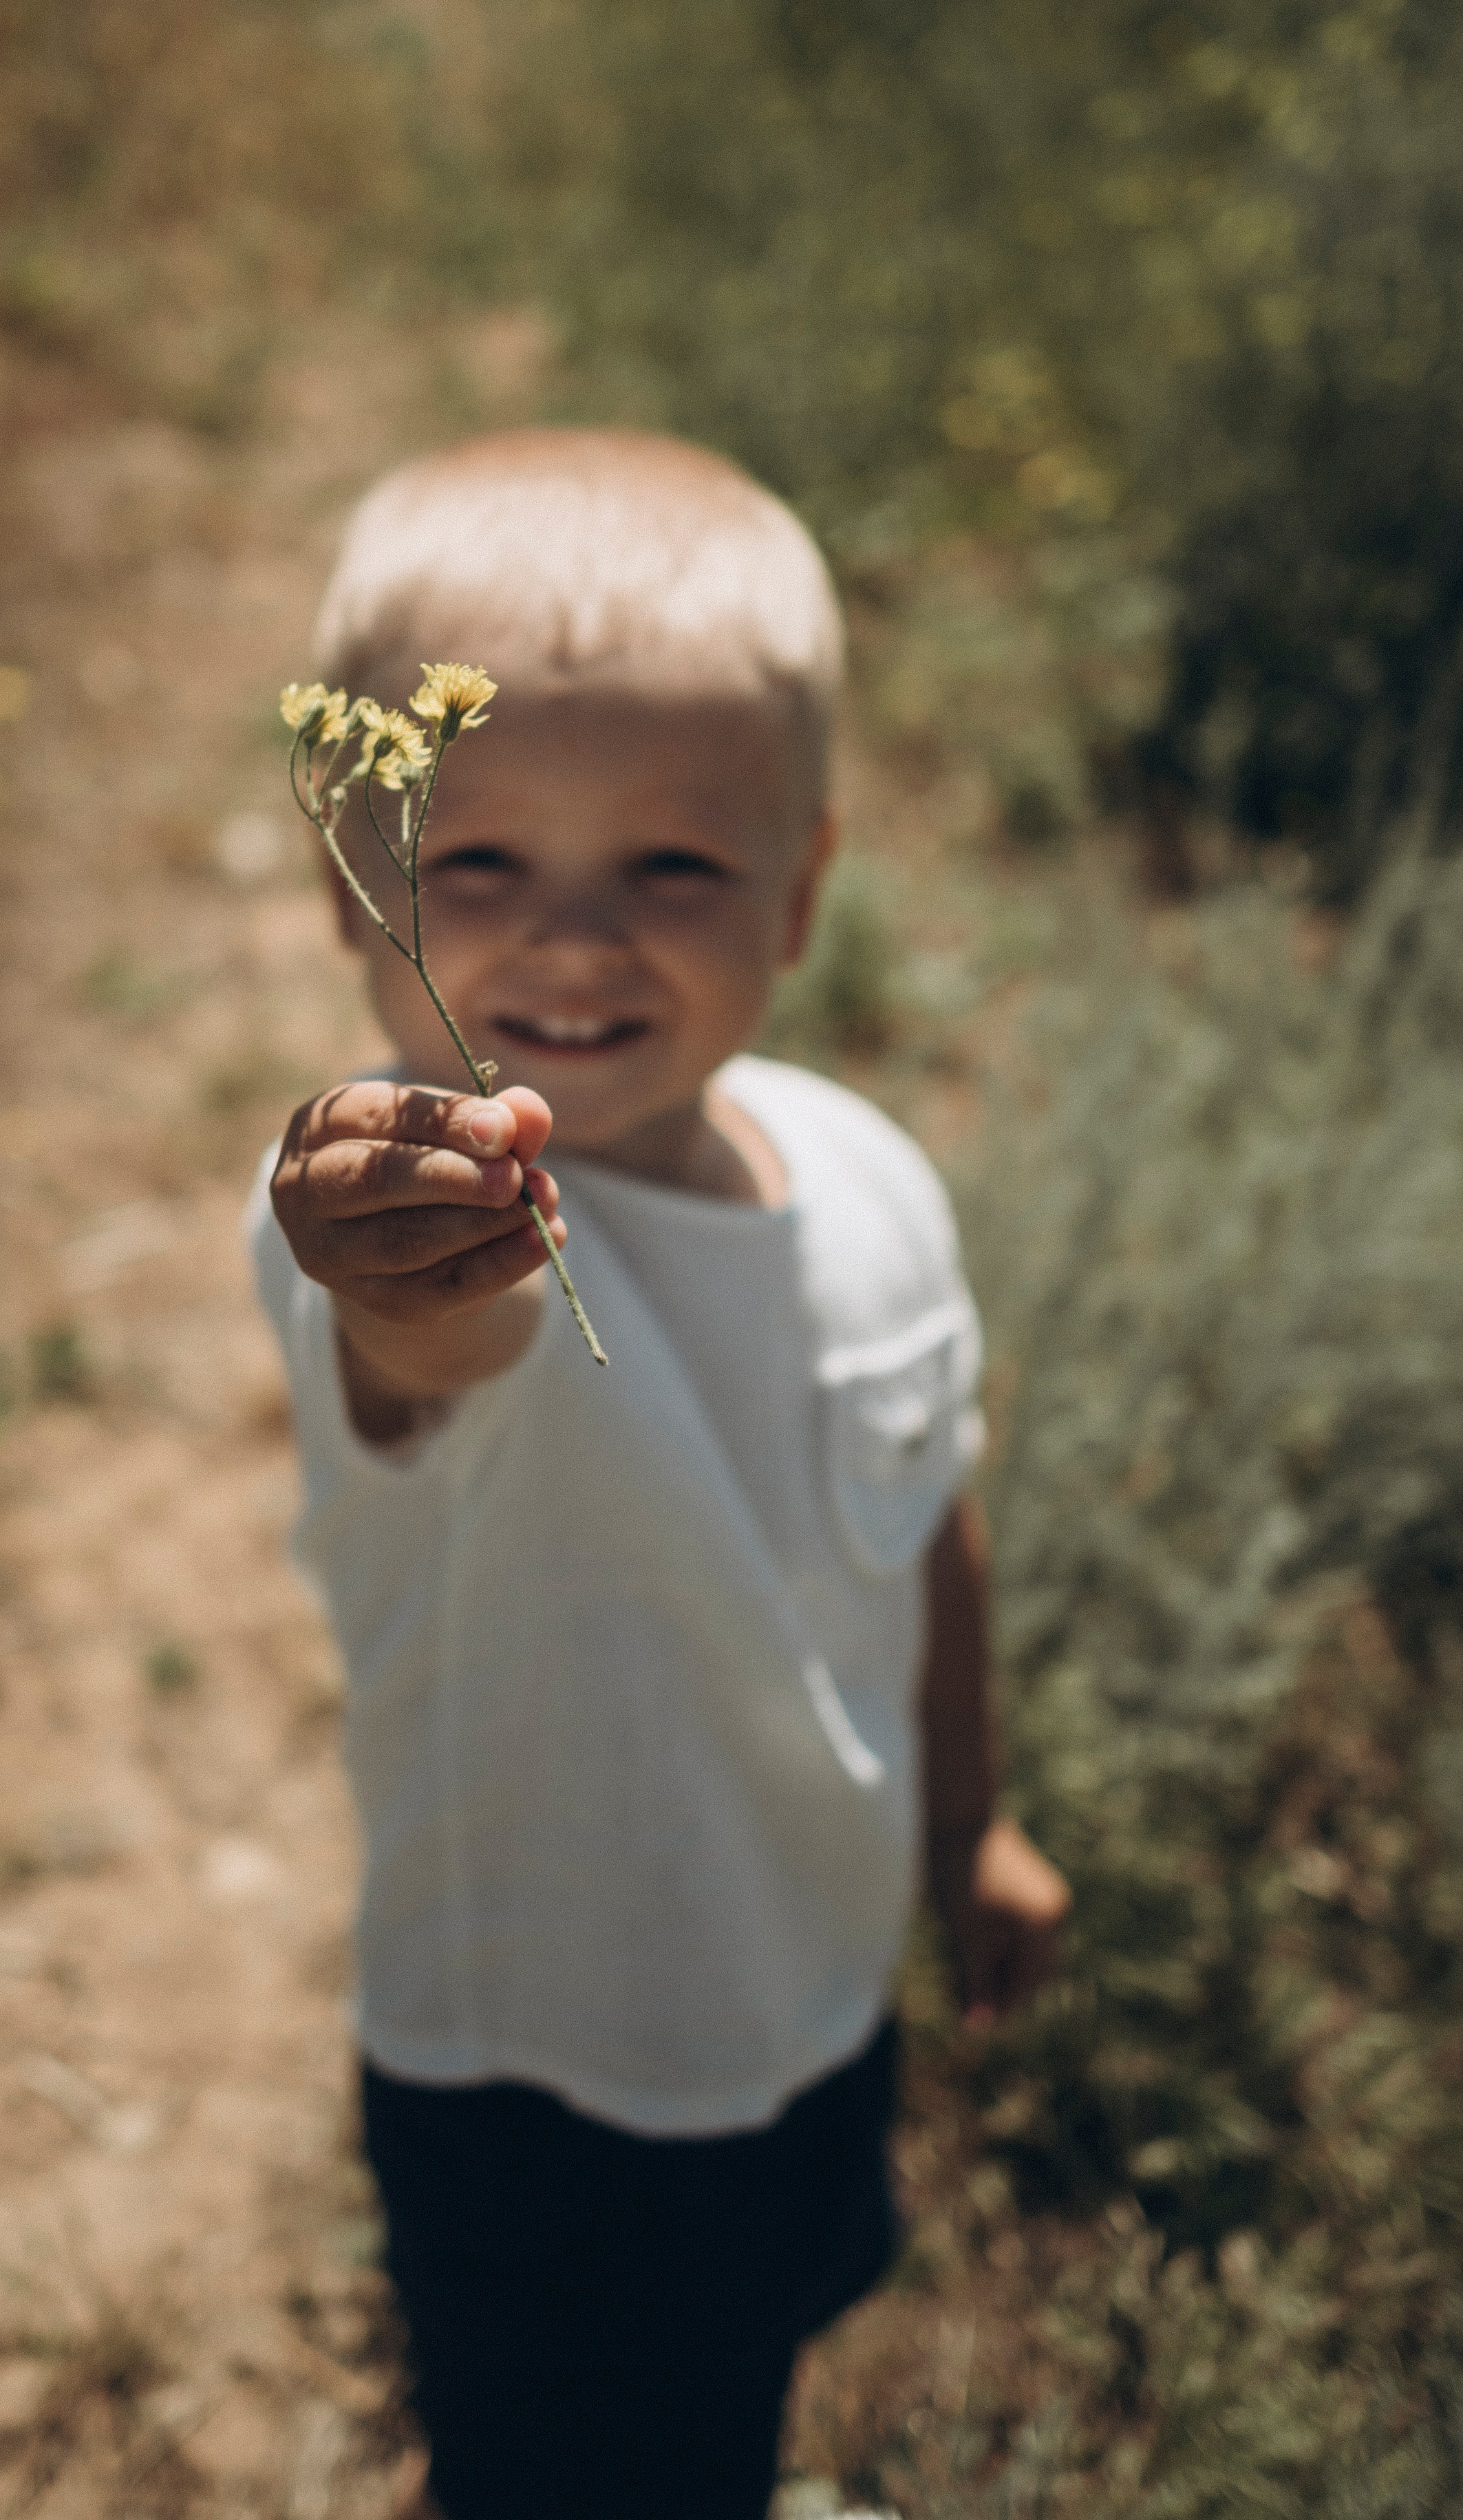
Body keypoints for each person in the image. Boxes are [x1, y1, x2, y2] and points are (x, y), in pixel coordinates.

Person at [249, 428, 1069, 2520]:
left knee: (753, 2353)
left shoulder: (872, 1179)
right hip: (545, 2078)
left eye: (676, 872)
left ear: (802, 889)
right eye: (479, 861)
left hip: (807, 1992)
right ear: (354, 864)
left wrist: (971, 1825)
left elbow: (926, 1517)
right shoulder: (445, 1219)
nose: (576, 947)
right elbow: (432, 1351)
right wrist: (383, 1250)